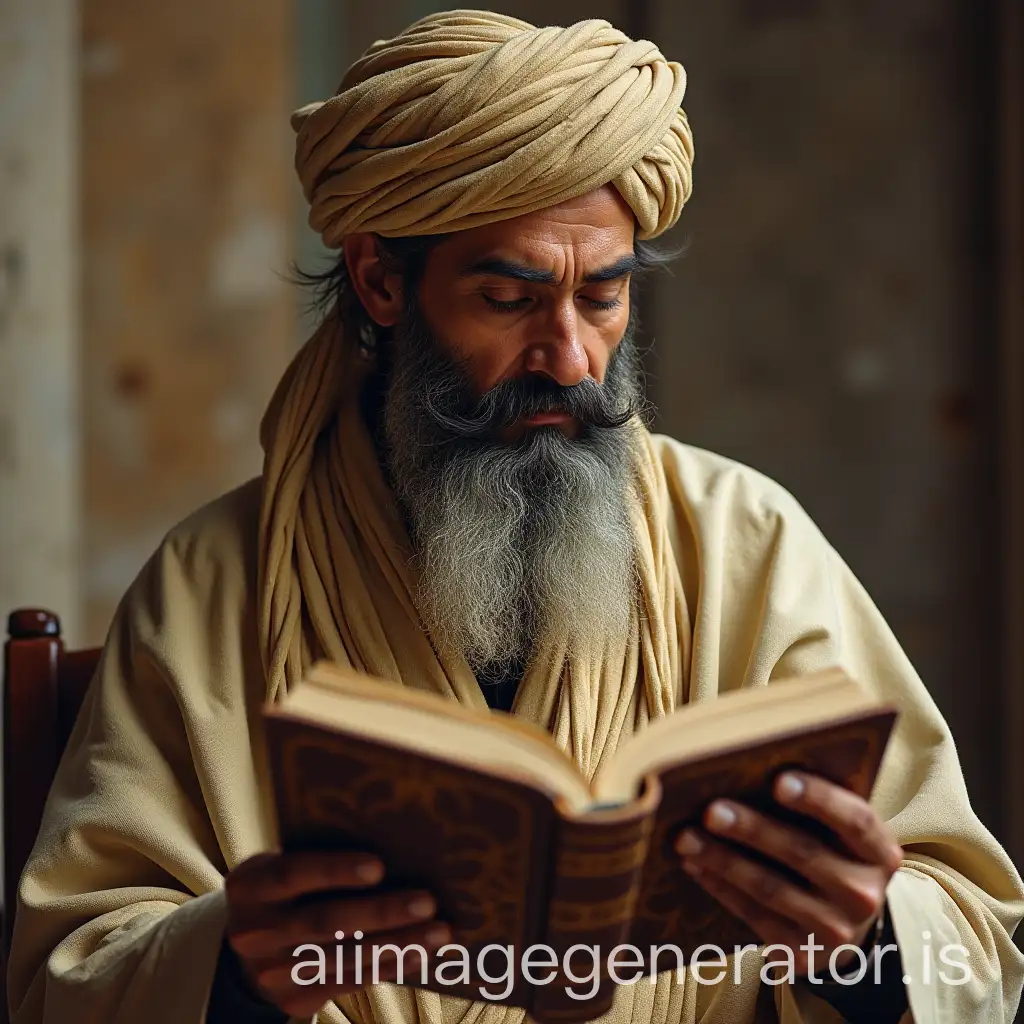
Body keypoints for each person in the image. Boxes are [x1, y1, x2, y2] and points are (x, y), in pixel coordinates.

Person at [7, 10, 1023, 1024]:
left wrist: (867, 941)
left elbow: (969, 937)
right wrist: (235, 968)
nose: (571, 357)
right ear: (380, 280)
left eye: (604, 297)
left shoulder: (744, 541)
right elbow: (72, 976)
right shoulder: (211, 585)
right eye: (508, 297)